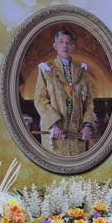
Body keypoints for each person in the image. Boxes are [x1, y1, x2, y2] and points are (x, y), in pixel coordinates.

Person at [33, 26, 97, 156]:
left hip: (77, 134)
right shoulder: (46, 69)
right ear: (55, 46)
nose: (65, 45)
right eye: (61, 42)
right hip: (56, 135)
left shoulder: (81, 71)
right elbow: (40, 99)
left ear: (73, 46)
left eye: (68, 42)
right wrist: (53, 124)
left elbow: (89, 101)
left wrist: (87, 125)